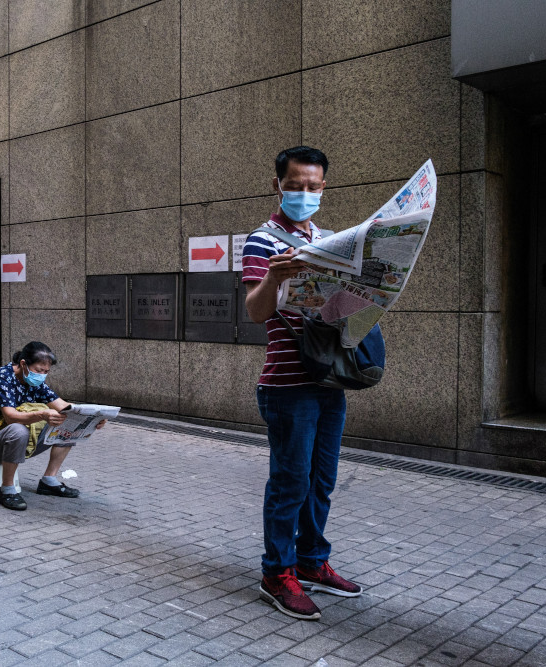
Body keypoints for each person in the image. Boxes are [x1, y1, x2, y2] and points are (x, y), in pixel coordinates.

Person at [242, 146, 362, 622]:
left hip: (329, 380)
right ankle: (277, 573)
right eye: (295, 186)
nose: (304, 194)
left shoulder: (331, 240)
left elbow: (341, 312)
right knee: (290, 483)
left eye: (313, 187)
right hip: (288, 385)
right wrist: (275, 276)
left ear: (324, 187)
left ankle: (312, 562)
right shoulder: (262, 242)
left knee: (322, 482)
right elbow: (255, 311)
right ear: (277, 185)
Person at [0, 341, 107, 511]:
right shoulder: (3, 377)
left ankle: (49, 480)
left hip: (17, 443)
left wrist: (93, 418)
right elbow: (11, 417)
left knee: (69, 424)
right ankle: (7, 490)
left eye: (46, 372)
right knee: (18, 429)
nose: (42, 375)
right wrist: (42, 414)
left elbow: (64, 407)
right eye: (39, 370)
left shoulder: (35, 383)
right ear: (23, 363)